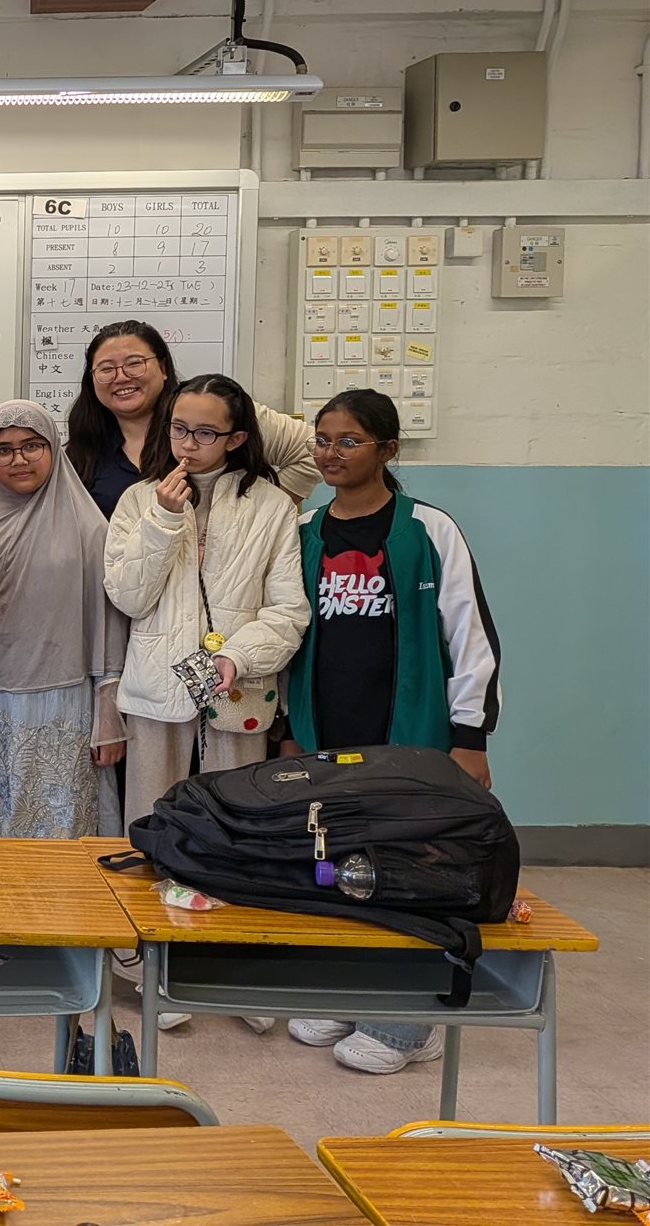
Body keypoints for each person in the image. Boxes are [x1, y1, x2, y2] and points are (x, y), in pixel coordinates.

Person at [281, 389, 502, 1076]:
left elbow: (470, 636)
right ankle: (348, 992)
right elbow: (287, 637)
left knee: (410, 869)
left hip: (413, 735)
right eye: (322, 439)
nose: (331, 453)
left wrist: (470, 737)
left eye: (348, 441)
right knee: (335, 865)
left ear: (388, 449)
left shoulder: (428, 530)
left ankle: (407, 1024)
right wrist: (288, 727)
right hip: (327, 733)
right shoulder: (305, 531)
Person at [104, 373, 310, 824]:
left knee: (236, 820)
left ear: (235, 438)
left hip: (240, 686)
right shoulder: (139, 500)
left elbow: (289, 610)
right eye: (178, 428)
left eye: (205, 433)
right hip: (157, 686)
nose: (187, 444)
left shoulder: (271, 505)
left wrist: (239, 655)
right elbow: (128, 598)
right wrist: (162, 518)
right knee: (152, 820)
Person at [0, 401, 127, 840]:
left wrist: (108, 714)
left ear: (53, 448)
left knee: (54, 826)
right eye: (3, 449)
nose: (19, 459)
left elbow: (106, 622)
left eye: (32, 445)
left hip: (60, 699)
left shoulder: (88, 526)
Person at [65, 320, 318, 520]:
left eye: (135, 363)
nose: (121, 377)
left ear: (163, 368)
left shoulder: (212, 410)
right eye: (106, 369)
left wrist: (261, 515)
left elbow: (313, 449)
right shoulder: (81, 450)